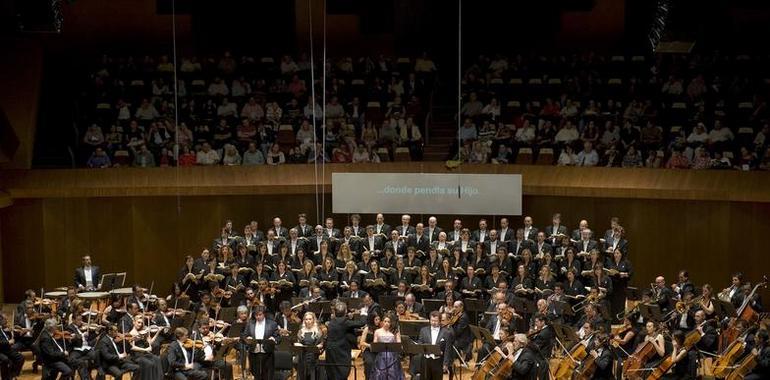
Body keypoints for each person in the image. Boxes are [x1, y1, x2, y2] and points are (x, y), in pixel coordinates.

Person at [325, 302, 365, 380]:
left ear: (334, 312)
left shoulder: (331, 322)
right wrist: (363, 313)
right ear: (346, 311)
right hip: (341, 352)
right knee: (341, 372)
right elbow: (361, 323)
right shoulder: (345, 322)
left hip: (330, 351)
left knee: (332, 373)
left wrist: (349, 318)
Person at [241, 305, 280, 380]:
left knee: (267, 375)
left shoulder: (272, 324)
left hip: (267, 353)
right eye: (256, 315)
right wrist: (247, 338)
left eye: (260, 315)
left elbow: (278, 338)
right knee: (256, 375)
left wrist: (274, 339)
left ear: (264, 314)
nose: (258, 317)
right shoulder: (250, 324)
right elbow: (244, 335)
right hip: (254, 352)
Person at [415, 311, 453, 380]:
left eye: (436, 321)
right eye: (432, 320)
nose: (433, 322)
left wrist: (445, 364)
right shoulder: (423, 330)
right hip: (426, 361)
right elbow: (420, 343)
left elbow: (448, 349)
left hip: (438, 361)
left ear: (440, 321)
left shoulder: (446, 332)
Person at [371, 313, 403, 380]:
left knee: (392, 373)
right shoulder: (377, 331)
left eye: (388, 322)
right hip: (381, 355)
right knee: (380, 373)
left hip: (392, 356)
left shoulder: (395, 331)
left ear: (391, 323)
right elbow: (375, 343)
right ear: (382, 322)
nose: (386, 323)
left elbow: (399, 343)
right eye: (385, 321)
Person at [295, 312, 325, 380]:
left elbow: (321, 344)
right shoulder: (301, 331)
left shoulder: (318, 331)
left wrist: (319, 346)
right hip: (303, 358)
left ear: (313, 320)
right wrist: (298, 344)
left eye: (310, 319)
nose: (308, 321)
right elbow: (298, 342)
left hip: (314, 358)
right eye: (306, 319)